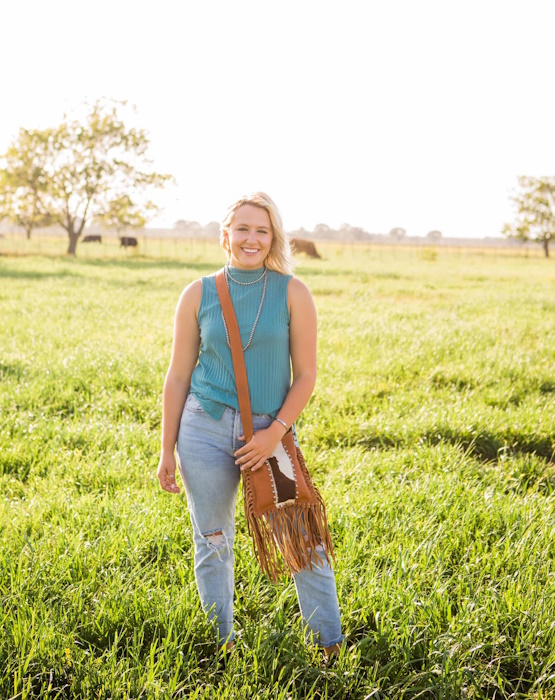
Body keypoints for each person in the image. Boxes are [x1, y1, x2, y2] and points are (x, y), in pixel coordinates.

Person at [156, 192, 343, 660]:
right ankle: (221, 643)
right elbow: (178, 376)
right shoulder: (197, 293)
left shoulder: (292, 292)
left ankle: (330, 644)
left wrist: (273, 433)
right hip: (203, 429)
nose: (251, 239)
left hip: (269, 434)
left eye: (262, 230)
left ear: (274, 237)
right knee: (212, 538)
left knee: (301, 535)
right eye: (242, 229)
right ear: (226, 236)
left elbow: (307, 376)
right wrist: (166, 452)